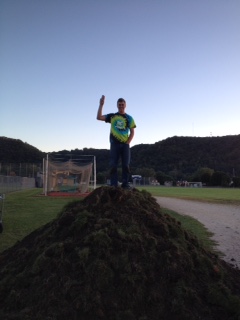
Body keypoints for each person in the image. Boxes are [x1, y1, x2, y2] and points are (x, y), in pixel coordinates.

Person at [97, 95, 136, 188]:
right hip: (114, 144)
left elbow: (132, 132)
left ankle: (125, 184)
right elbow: (99, 117)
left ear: (125, 105)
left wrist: (127, 143)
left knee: (126, 165)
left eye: (122, 104)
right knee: (113, 165)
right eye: (119, 104)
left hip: (125, 145)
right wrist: (101, 105)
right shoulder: (113, 116)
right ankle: (114, 184)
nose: (121, 106)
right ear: (117, 105)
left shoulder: (129, 118)